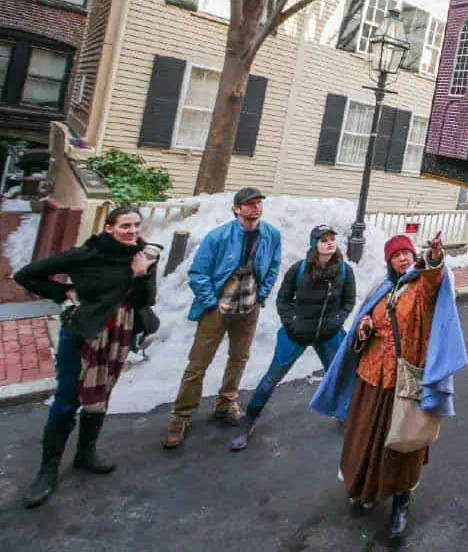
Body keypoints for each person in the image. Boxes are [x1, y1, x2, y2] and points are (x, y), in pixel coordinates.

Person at [311, 232, 468, 539]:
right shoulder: (381, 290)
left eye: (406, 254)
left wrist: (434, 259)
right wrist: (365, 328)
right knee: (364, 439)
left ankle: (401, 504)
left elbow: (435, 281)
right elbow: (364, 323)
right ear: (389, 262)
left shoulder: (421, 288)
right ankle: (363, 490)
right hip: (371, 378)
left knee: (402, 444)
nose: (402, 259)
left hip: (404, 381)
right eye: (396, 255)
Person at [13, 205, 158, 508]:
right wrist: (64, 292)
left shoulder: (143, 256)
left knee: (100, 393)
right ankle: (47, 469)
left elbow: (146, 300)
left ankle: (85, 453)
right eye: (124, 226)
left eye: (135, 225)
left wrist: (141, 275)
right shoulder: (86, 255)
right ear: (108, 228)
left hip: (119, 334)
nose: (132, 231)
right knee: (67, 398)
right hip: (83, 333)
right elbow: (26, 275)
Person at [162, 187, 281, 449]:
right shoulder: (218, 236)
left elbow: (273, 265)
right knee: (198, 364)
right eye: (249, 204)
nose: (255, 207)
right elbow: (198, 273)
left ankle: (226, 403)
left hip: (249, 308)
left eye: (258, 203)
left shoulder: (271, 235)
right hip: (218, 308)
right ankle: (181, 416)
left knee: (239, 358)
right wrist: (210, 303)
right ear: (237, 209)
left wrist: (261, 295)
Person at [229, 224, 356, 451]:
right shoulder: (299, 269)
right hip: (296, 333)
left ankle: (344, 415)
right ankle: (249, 421)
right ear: (314, 244)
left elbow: (349, 300)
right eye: (323, 239)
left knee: (338, 376)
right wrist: (291, 322)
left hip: (328, 334)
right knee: (271, 377)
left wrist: (337, 321)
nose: (329, 242)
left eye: (332, 239)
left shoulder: (344, 271)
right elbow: (283, 300)